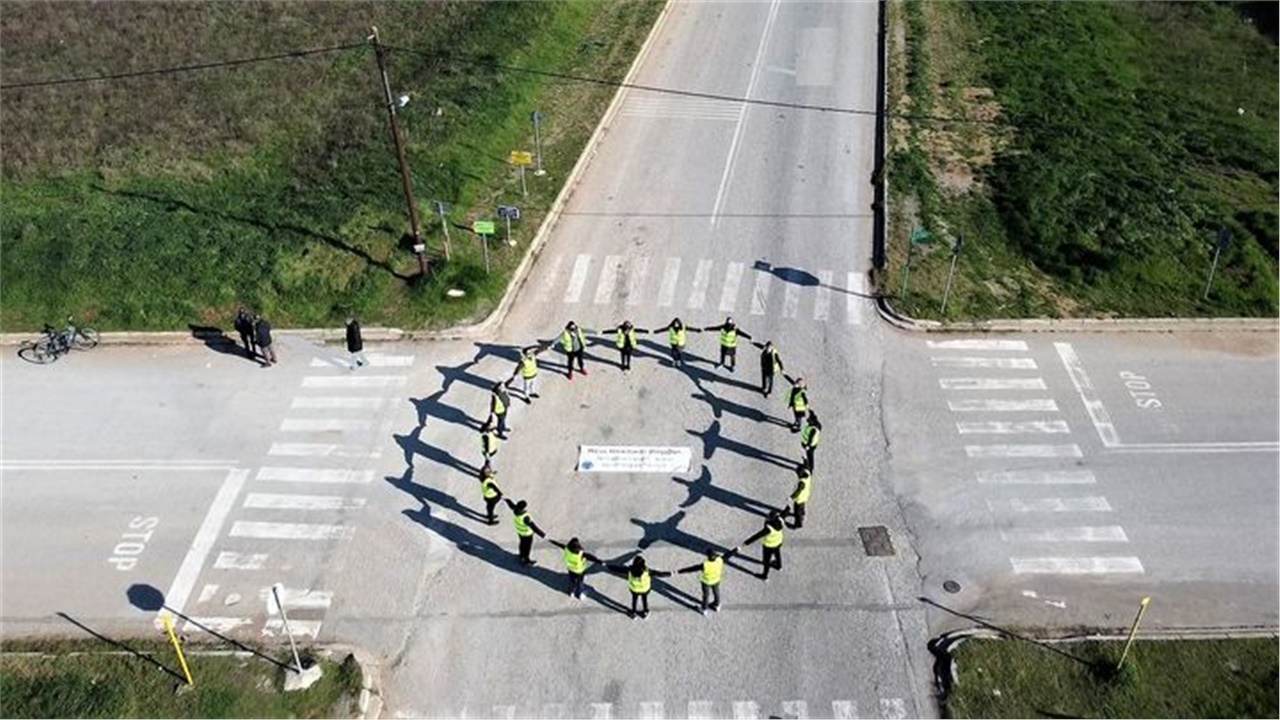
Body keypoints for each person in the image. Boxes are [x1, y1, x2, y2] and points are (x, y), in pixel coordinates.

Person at [676, 546, 737, 615]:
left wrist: (678, 571)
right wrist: (736, 549)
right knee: (716, 592)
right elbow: (728, 555)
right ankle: (717, 605)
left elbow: (692, 569)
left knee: (706, 595)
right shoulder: (720, 560)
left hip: (706, 582)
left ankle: (704, 609)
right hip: (716, 580)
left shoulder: (705, 565)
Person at [741, 511, 787, 581]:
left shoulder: (768, 529)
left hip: (769, 546)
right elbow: (785, 513)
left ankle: (764, 576)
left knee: (766, 561)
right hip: (778, 542)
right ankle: (778, 566)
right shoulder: (780, 520)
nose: (766, 517)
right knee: (777, 554)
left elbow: (757, 536)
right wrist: (788, 507)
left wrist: (746, 542)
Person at [504, 498, 547, 566]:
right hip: (527, 534)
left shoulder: (515, 510)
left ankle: (521, 556)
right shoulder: (525, 517)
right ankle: (526, 560)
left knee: (522, 544)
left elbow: (511, 505)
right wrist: (542, 534)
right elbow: (534, 527)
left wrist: (507, 500)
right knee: (527, 547)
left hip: (520, 532)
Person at [788, 464, 812, 529]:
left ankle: (798, 524)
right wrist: (805, 462)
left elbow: (798, 491)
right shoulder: (808, 473)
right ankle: (803, 513)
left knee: (797, 511)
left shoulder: (802, 482)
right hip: (805, 495)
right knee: (802, 506)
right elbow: (808, 467)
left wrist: (791, 497)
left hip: (800, 498)